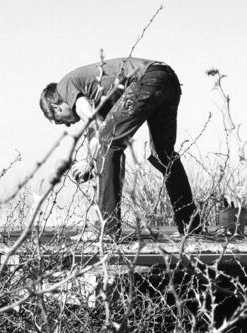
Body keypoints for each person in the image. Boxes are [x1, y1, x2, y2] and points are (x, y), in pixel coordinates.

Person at [39, 57, 202, 240]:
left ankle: (107, 230)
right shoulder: (101, 101)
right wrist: (97, 163)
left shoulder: (64, 86)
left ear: (56, 106)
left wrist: (91, 162)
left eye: (60, 121)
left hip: (145, 79)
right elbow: (113, 152)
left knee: (108, 146)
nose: (68, 126)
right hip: (166, 78)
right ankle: (190, 226)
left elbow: (96, 126)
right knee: (164, 156)